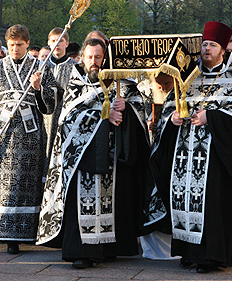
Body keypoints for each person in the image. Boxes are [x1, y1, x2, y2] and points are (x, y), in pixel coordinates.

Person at [151, 21, 232, 273]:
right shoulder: (186, 79)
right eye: (204, 44)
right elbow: (169, 111)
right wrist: (172, 119)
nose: (207, 49)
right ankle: (188, 253)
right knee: (183, 202)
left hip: (217, 158)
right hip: (184, 154)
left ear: (223, 50)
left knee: (212, 206)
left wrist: (212, 118)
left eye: (212, 45)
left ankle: (211, 257)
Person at [36, 38, 165, 269]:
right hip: (83, 160)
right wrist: (104, 118)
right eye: (89, 57)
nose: (94, 62)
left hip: (114, 160)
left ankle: (110, 248)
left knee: (115, 201)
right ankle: (84, 253)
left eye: (98, 57)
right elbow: (68, 120)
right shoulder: (76, 85)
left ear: (105, 58)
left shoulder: (122, 85)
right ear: (82, 58)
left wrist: (127, 110)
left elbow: (140, 113)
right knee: (83, 204)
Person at [0, 24, 63, 254]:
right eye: (11, 45)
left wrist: (38, 89)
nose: (15, 49)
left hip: (31, 137)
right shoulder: (0, 67)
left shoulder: (40, 67)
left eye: (19, 45)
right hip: (4, 134)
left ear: (27, 44)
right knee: (4, 187)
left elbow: (53, 100)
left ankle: (24, 234)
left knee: (26, 184)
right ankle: (5, 232)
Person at [43, 27, 76, 175]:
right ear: (49, 43)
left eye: (60, 40)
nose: (57, 44)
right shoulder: (42, 66)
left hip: (65, 121)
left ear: (66, 43)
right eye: (54, 40)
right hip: (43, 121)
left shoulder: (75, 68)